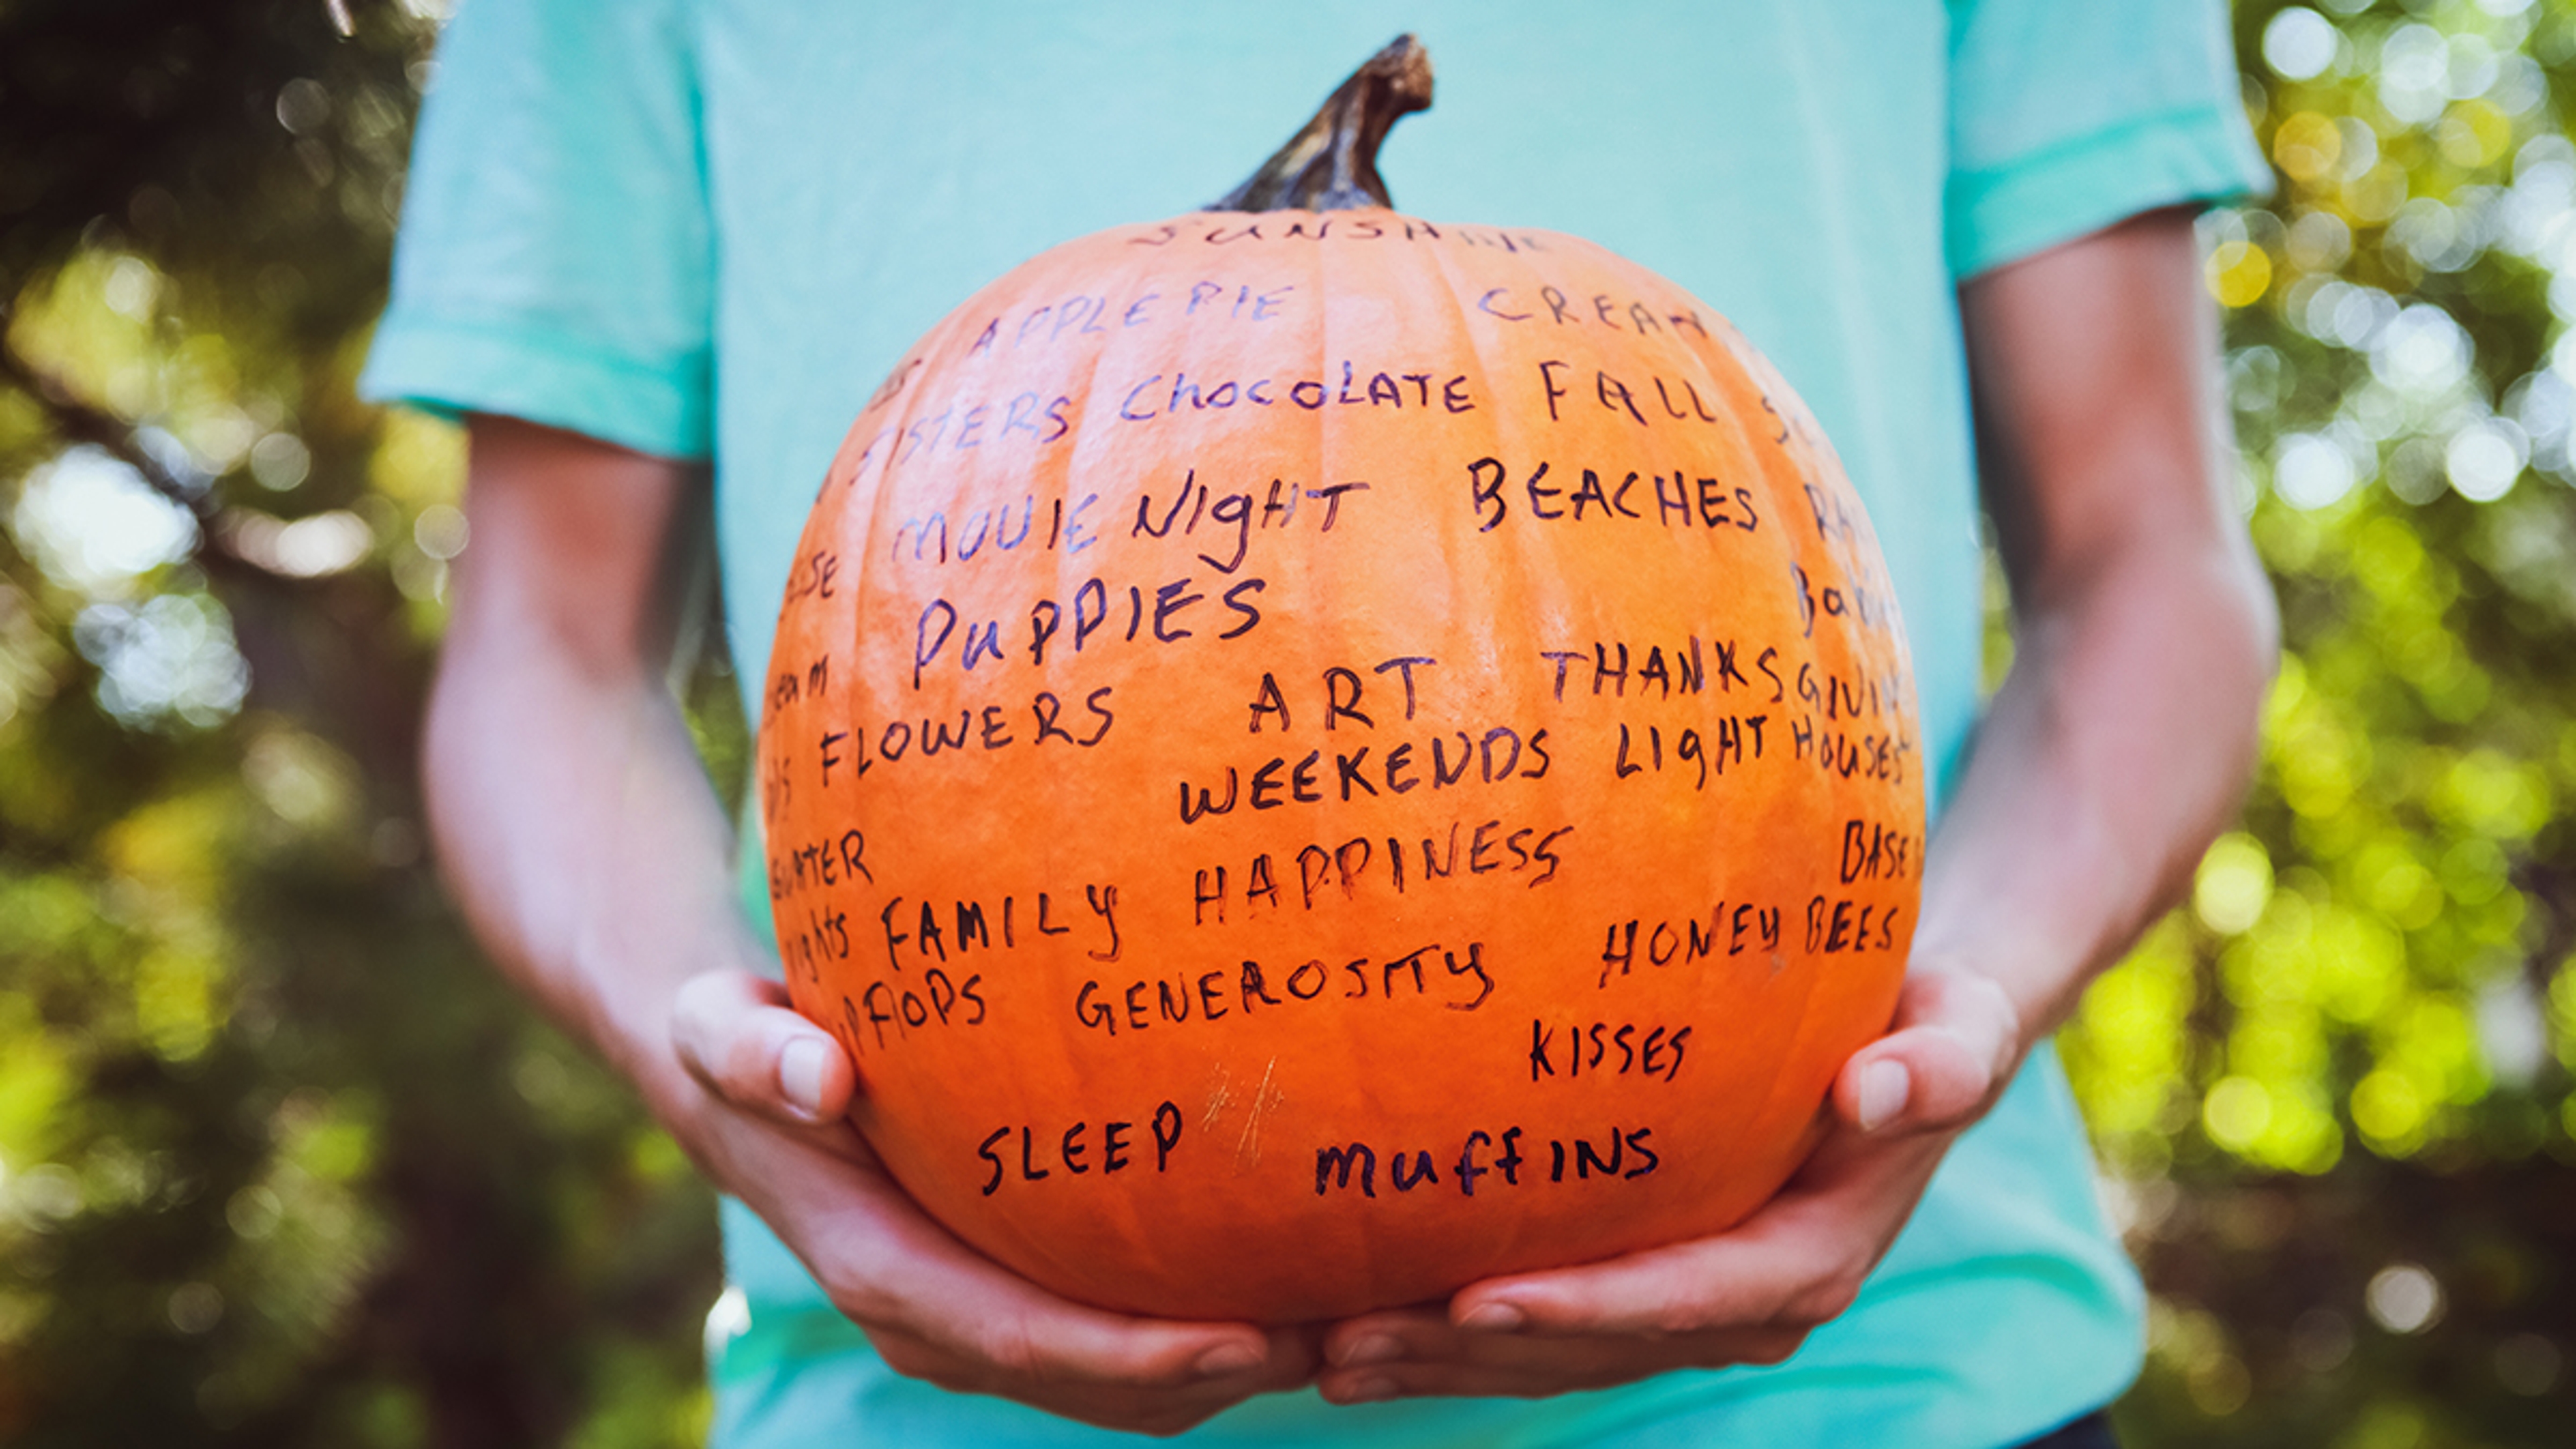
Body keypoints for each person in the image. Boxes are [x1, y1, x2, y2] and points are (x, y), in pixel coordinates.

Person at [362, 3, 2278, 1444]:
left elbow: (2149, 566)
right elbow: (544, 642)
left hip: (1901, 1394)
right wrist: (684, 1034)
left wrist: (1972, 998)